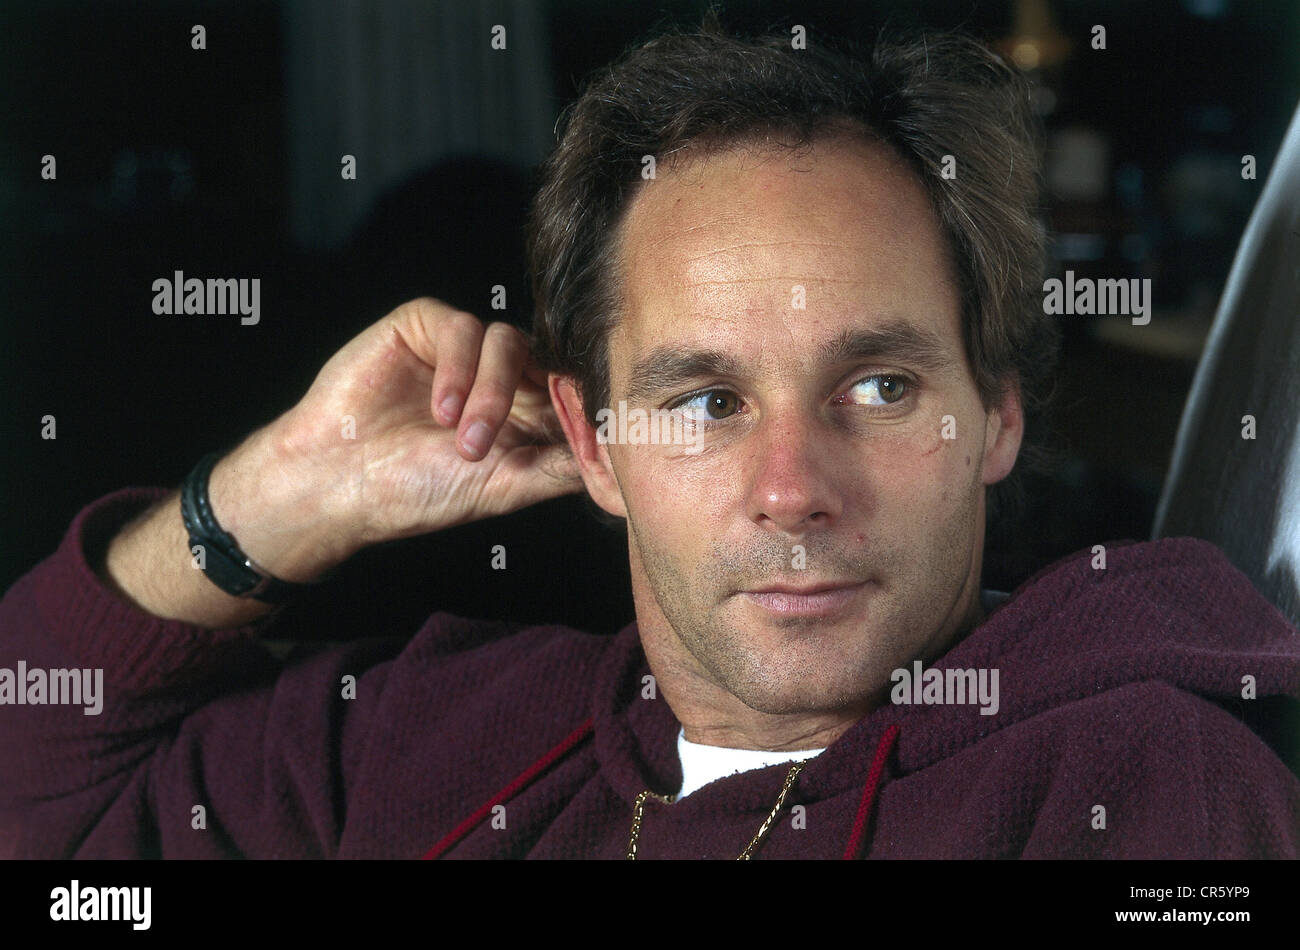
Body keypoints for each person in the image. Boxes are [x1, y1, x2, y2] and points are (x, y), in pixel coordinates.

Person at [2, 22, 1297, 860]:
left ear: (998, 414)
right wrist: (272, 496)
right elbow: (44, 805)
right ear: (593, 438)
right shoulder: (422, 738)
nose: (792, 491)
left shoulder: (1132, 782)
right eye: (703, 401)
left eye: (881, 386)